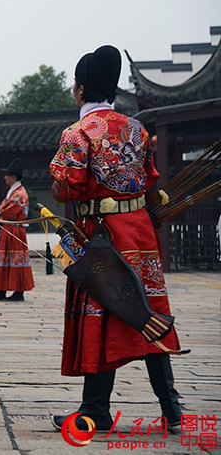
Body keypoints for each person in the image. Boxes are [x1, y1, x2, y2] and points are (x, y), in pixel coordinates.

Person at [49, 45, 182, 433]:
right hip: (139, 233)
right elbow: (150, 178)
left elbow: (66, 188)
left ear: (80, 90)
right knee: (147, 310)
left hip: (102, 237)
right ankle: (171, 409)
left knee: (104, 311)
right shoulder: (137, 128)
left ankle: (95, 411)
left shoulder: (77, 133)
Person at [0, 158, 35, 301]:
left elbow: (6, 211)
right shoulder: (14, 192)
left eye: (7, 175)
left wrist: (2, 208)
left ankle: (18, 291)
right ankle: (0, 290)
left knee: (15, 259)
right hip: (9, 229)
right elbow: (4, 209)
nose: (5, 178)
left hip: (15, 230)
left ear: (13, 177)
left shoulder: (19, 193)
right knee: (5, 259)